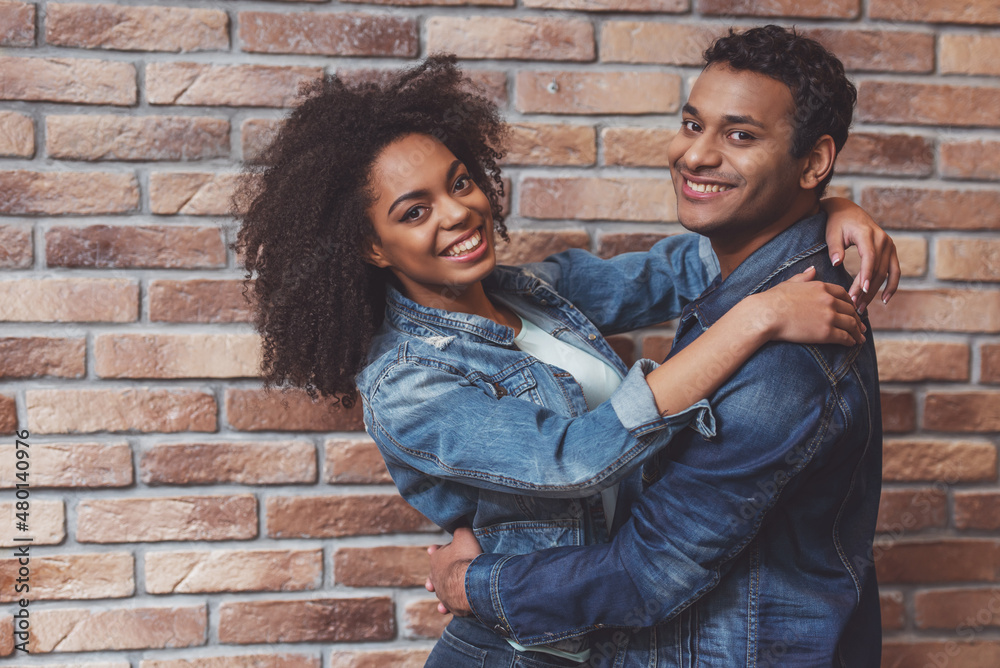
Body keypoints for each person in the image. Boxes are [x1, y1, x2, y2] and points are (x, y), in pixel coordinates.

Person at [231, 54, 895, 666]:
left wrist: (827, 207)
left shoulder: (530, 292)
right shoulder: (408, 382)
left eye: (459, 182)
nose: (458, 212)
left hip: (597, 633)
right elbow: (575, 457)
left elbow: (693, 260)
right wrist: (755, 318)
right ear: (373, 248)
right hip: (520, 646)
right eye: (414, 211)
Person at [428, 26, 885, 667]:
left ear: (813, 160)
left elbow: (647, 572)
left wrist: (469, 585)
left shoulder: (785, 357)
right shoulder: (759, 286)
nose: (695, 156)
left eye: (740, 135)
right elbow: (619, 280)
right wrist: (832, 202)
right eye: (692, 124)